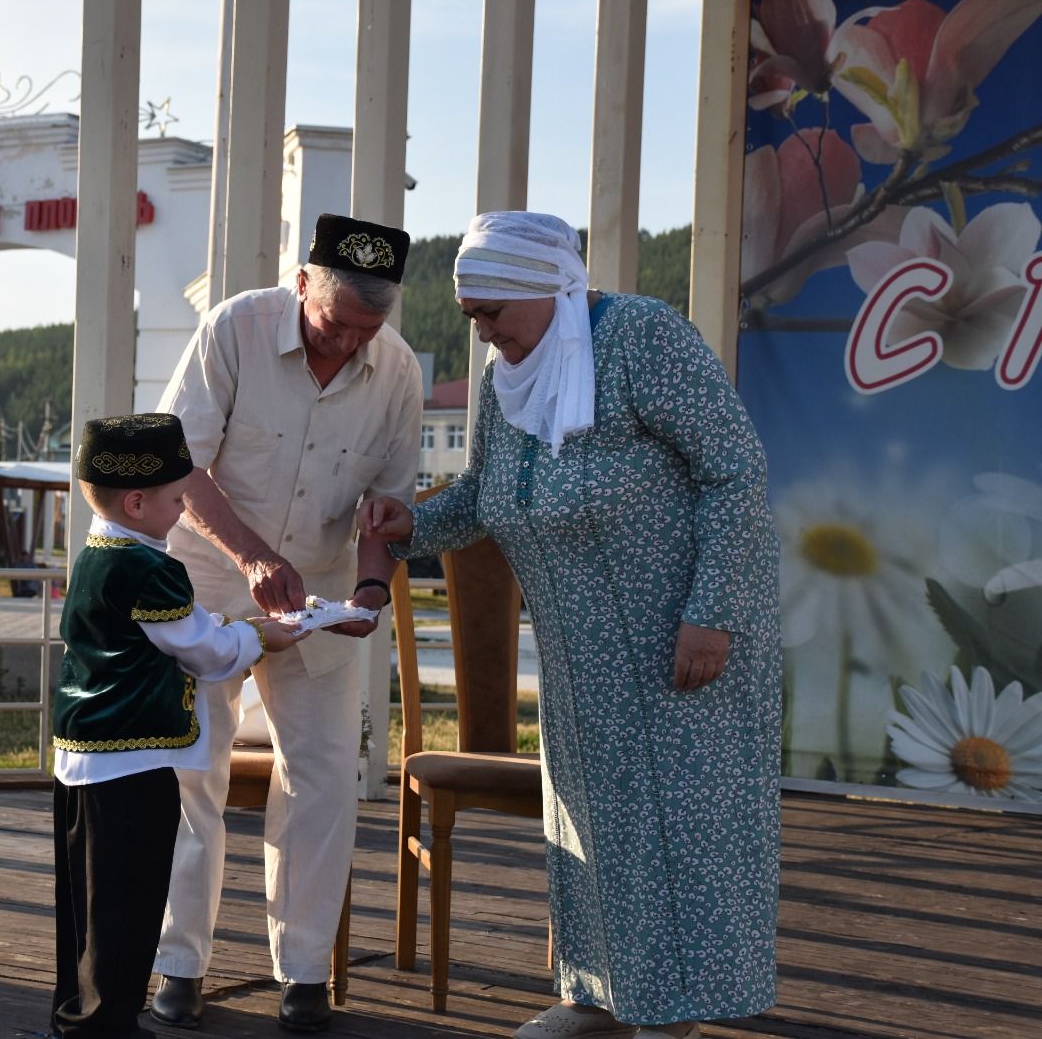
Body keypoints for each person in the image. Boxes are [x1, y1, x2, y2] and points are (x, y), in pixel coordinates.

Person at [361, 212, 782, 1039]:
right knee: (588, 824)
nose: (481, 333)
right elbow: (487, 494)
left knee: (678, 830)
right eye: (471, 315)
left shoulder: (642, 339)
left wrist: (713, 613)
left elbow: (734, 471)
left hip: (680, 642)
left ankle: (671, 1009)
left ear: (548, 289)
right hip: (580, 655)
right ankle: (595, 994)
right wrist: (412, 527)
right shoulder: (500, 382)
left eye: (491, 314)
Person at [151, 214, 423, 1032]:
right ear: (300, 282)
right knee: (191, 773)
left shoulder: (400, 372)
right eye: (334, 323)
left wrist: (371, 592)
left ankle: (303, 974)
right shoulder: (232, 327)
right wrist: (253, 557)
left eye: (365, 332)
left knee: (325, 778)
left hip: (322, 597)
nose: (345, 346)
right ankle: (177, 966)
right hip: (206, 577)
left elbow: (391, 510)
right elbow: (178, 464)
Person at [52, 413, 304, 1039]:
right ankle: (110, 1026)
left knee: (84, 906)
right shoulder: (150, 569)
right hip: (134, 764)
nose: (183, 512)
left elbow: (179, 632)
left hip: (80, 758)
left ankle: (76, 1017)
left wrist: (225, 631)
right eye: (176, 500)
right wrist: (260, 636)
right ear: (137, 501)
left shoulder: (94, 556)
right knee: (129, 906)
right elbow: (203, 650)